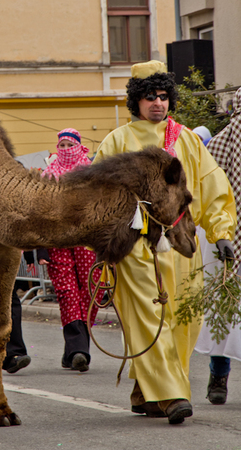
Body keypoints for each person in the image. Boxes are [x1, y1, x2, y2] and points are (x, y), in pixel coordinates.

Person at [93, 60, 236, 424]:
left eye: (162, 96)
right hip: (136, 250)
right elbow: (96, 196)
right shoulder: (117, 142)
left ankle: (147, 389)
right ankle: (171, 394)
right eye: (149, 97)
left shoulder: (186, 139)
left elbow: (212, 185)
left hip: (183, 245)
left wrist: (221, 233)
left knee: (183, 320)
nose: (158, 103)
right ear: (135, 102)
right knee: (150, 316)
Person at [40, 128, 102, 372]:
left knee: (90, 290)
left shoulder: (92, 174)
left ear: (79, 146)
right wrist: (42, 249)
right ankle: (78, 350)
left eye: (69, 145)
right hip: (59, 239)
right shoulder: (48, 175)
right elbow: (40, 213)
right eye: (61, 146)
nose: (65, 150)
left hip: (88, 240)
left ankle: (74, 351)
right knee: (66, 291)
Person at [194, 90, 241, 405]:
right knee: (223, 308)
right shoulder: (221, 145)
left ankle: (218, 378)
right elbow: (208, 194)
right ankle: (218, 376)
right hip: (224, 237)